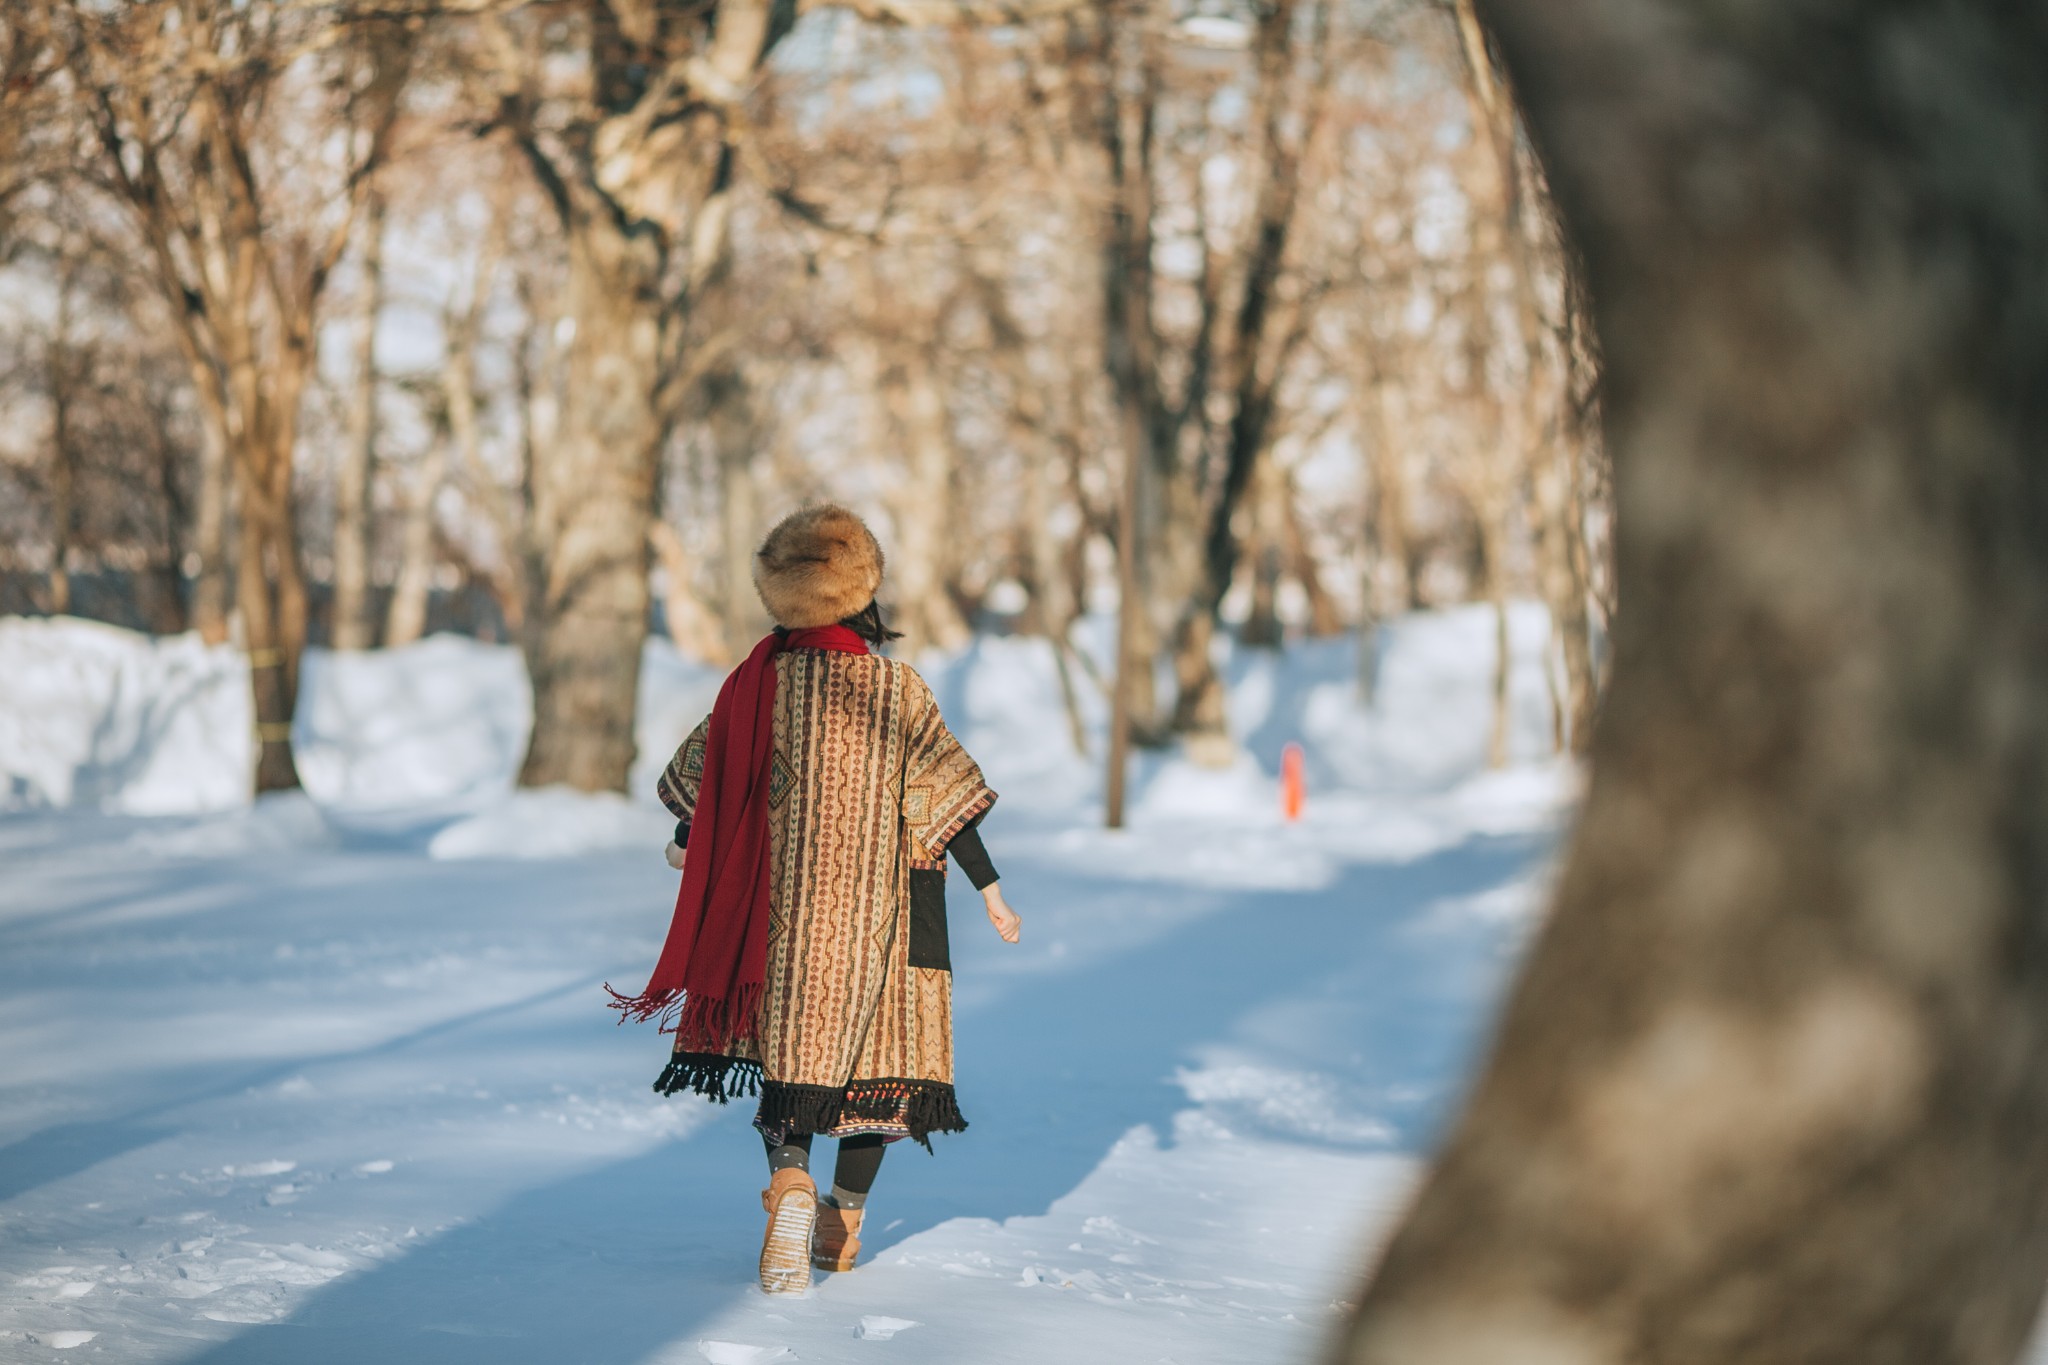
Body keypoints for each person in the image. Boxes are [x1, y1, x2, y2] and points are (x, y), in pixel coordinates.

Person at [608, 503, 1023, 1295]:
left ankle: (791, 1180)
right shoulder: (895, 688)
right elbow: (945, 799)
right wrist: (992, 892)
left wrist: (692, 840)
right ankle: (842, 1214)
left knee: (793, 1058)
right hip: (887, 918)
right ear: (863, 591)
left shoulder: (751, 685)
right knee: (881, 1067)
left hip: (782, 923)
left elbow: (705, 783)